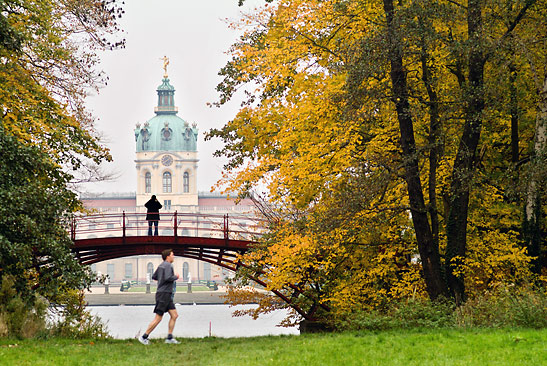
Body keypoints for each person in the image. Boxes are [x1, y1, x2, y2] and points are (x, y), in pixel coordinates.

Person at [138, 249, 180, 345]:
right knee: (158, 318)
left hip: (165, 294)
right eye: (172, 255)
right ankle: (144, 337)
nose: (173, 256)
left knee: (174, 315)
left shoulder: (161, 265)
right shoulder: (168, 265)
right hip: (164, 294)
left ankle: (169, 338)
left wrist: (161, 279)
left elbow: (154, 276)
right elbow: (168, 278)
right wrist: (176, 277)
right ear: (168, 256)